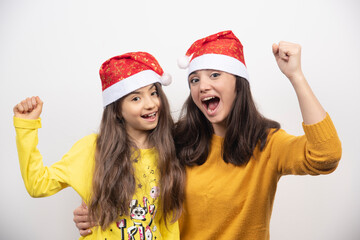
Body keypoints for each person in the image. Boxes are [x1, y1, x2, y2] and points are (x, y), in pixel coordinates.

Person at [73, 31, 342, 239]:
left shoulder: (267, 143)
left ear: (238, 82)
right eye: (194, 79)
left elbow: (326, 156)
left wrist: (296, 76)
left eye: (214, 74)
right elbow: (138, 192)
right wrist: (98, 212)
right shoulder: (175, 141)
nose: (203, 86)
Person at [14, 52, 185, 239]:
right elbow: (38, 184)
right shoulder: (92, 149)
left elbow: (168, 223)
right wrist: (27, 127)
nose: (151, 104)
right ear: (117, 109)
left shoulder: (167, 151)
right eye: (136, 98)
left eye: (153, 93)